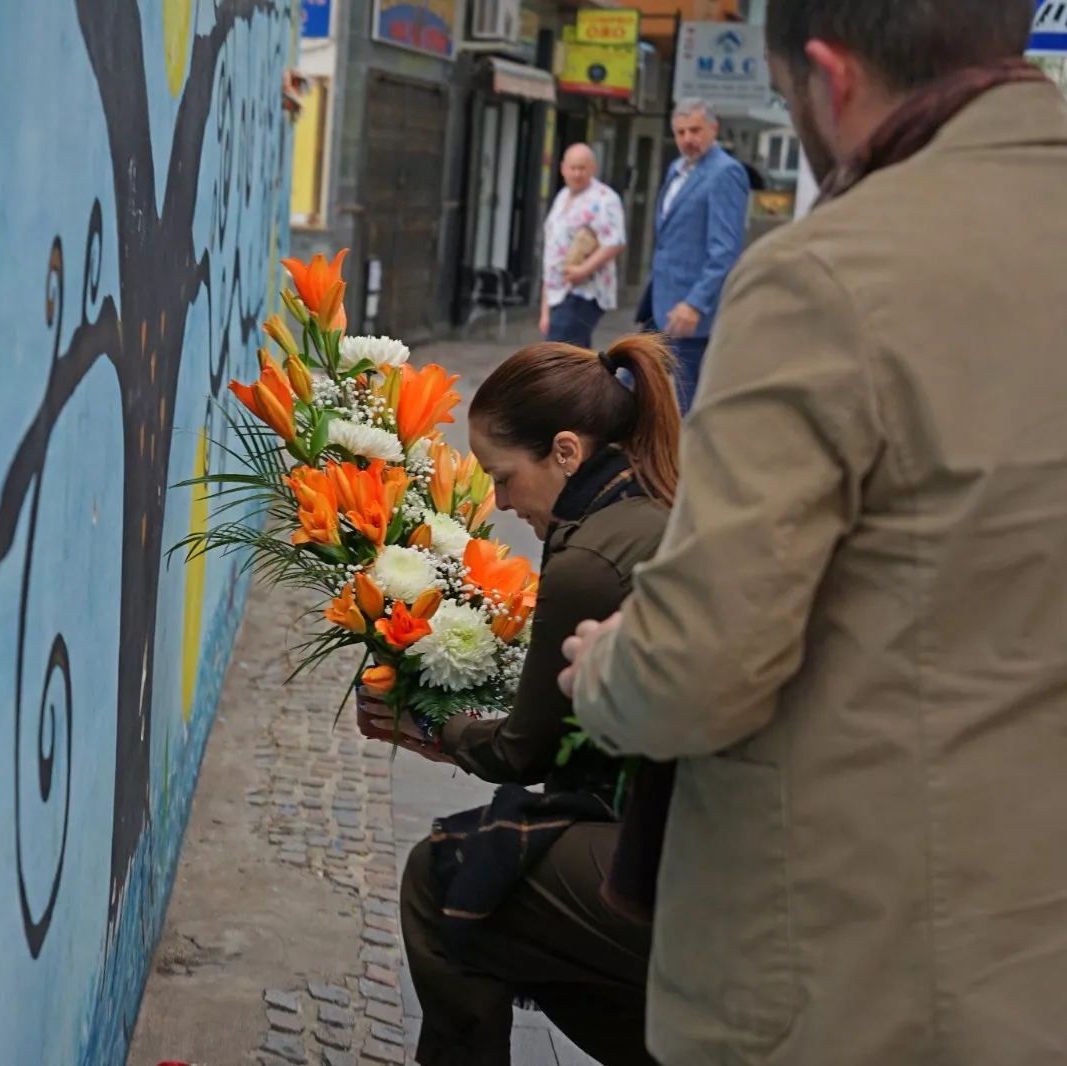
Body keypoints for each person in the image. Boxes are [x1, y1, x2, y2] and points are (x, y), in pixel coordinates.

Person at [558, 3, 1067, 1065]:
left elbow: (701, 664)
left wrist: (603, 668)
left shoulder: (828, 275)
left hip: (864, 967)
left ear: (829, 80)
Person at [361, 334, 682, 1066]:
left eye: (505, 478)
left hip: (684, 859)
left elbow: (523, 751)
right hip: (705, 830)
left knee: (446, 878)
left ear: (566, 452)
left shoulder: (589, 559)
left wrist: (433, 722)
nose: (501, 502)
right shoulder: (651, 498)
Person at [636, 98, 749, 411]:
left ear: (714, 128)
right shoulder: (677, 168)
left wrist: (695, 303)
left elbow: (725, 250)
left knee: (690, 401)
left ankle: (690, 460)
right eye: (681, 132)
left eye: (696, 130)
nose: (688, 139)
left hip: (690, 313)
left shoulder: (725, 174)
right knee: (632, 384)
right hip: (660, 304)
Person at [539, 144, 627, 349]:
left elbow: (615, 241)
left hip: (585, 291)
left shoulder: (605, 199)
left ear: (593, 169)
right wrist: (545, 308)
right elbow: (552, 251)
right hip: (557, 291)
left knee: (558, 355)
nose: (577, 174)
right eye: (573, 168)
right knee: (578, 359)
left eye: (582, 168)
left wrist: (583, 270)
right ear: (563, 168)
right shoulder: (562, 197)